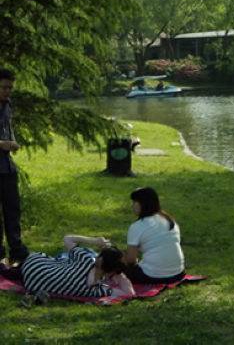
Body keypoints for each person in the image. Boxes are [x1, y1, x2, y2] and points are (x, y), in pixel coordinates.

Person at [0, 235, 134, 299]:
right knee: (61, 265)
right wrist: (119, 273)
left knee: (60, 260)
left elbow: (67, 239)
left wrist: (94, 241)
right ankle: (10, 269)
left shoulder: (86, 259)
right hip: (32, 283)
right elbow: (129, 293)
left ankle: (9, 267)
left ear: (99, 258)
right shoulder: (96, 291)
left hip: (35, 264)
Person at [124, 187, 185, 284]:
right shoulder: (169, 220)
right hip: (178, 273)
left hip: (152, 276)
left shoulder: (137, 226)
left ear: (143, 204)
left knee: (118, 267)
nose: (132, 206)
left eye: (134, 202)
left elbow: (131, 260)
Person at [0, 68, 28, 265]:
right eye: (4, 87)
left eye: (10, 88)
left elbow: (8, 130)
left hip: (7, 168)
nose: (8, 91)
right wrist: (2, 144)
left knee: (13, 210)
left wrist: (13, 142)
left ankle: (17, 252)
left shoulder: (8, 105)